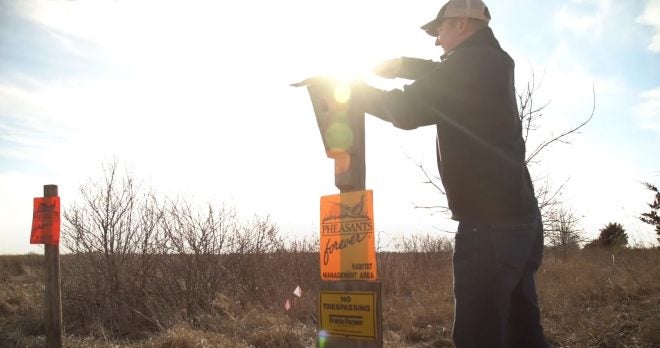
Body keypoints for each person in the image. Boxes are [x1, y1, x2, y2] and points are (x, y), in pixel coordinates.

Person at [358, 0, 551, 347]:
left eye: (439, 30)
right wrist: (404, 65)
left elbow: (404, 109)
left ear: (462, 24)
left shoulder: (469, 67)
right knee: (521, 331)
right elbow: (443, 69)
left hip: (490, 229)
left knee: (479, 335)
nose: (436, 39)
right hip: (520, 221)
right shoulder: (493, 60)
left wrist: (349, 93)